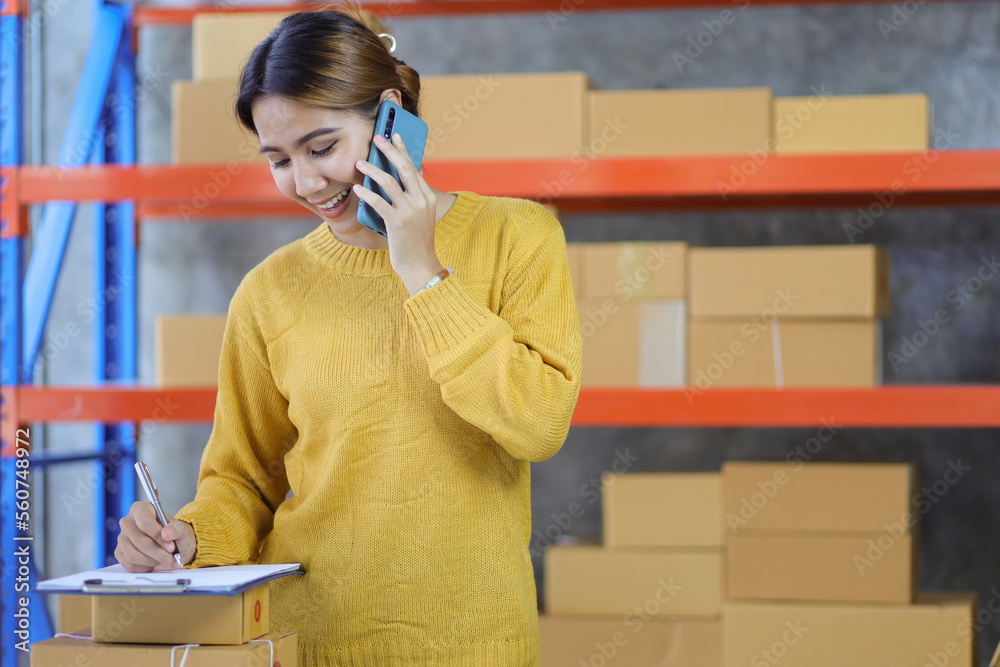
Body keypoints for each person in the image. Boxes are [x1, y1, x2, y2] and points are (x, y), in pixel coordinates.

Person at [115, 5, 582, 665]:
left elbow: (538, 421)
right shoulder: (268, 291)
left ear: (390, 113)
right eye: (278, 159)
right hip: (311, 643)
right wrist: (187, 537)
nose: (305, 183)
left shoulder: (517, 237)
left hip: (475, 646)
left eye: (322, 146)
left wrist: (423, 272)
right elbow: (244, 481)